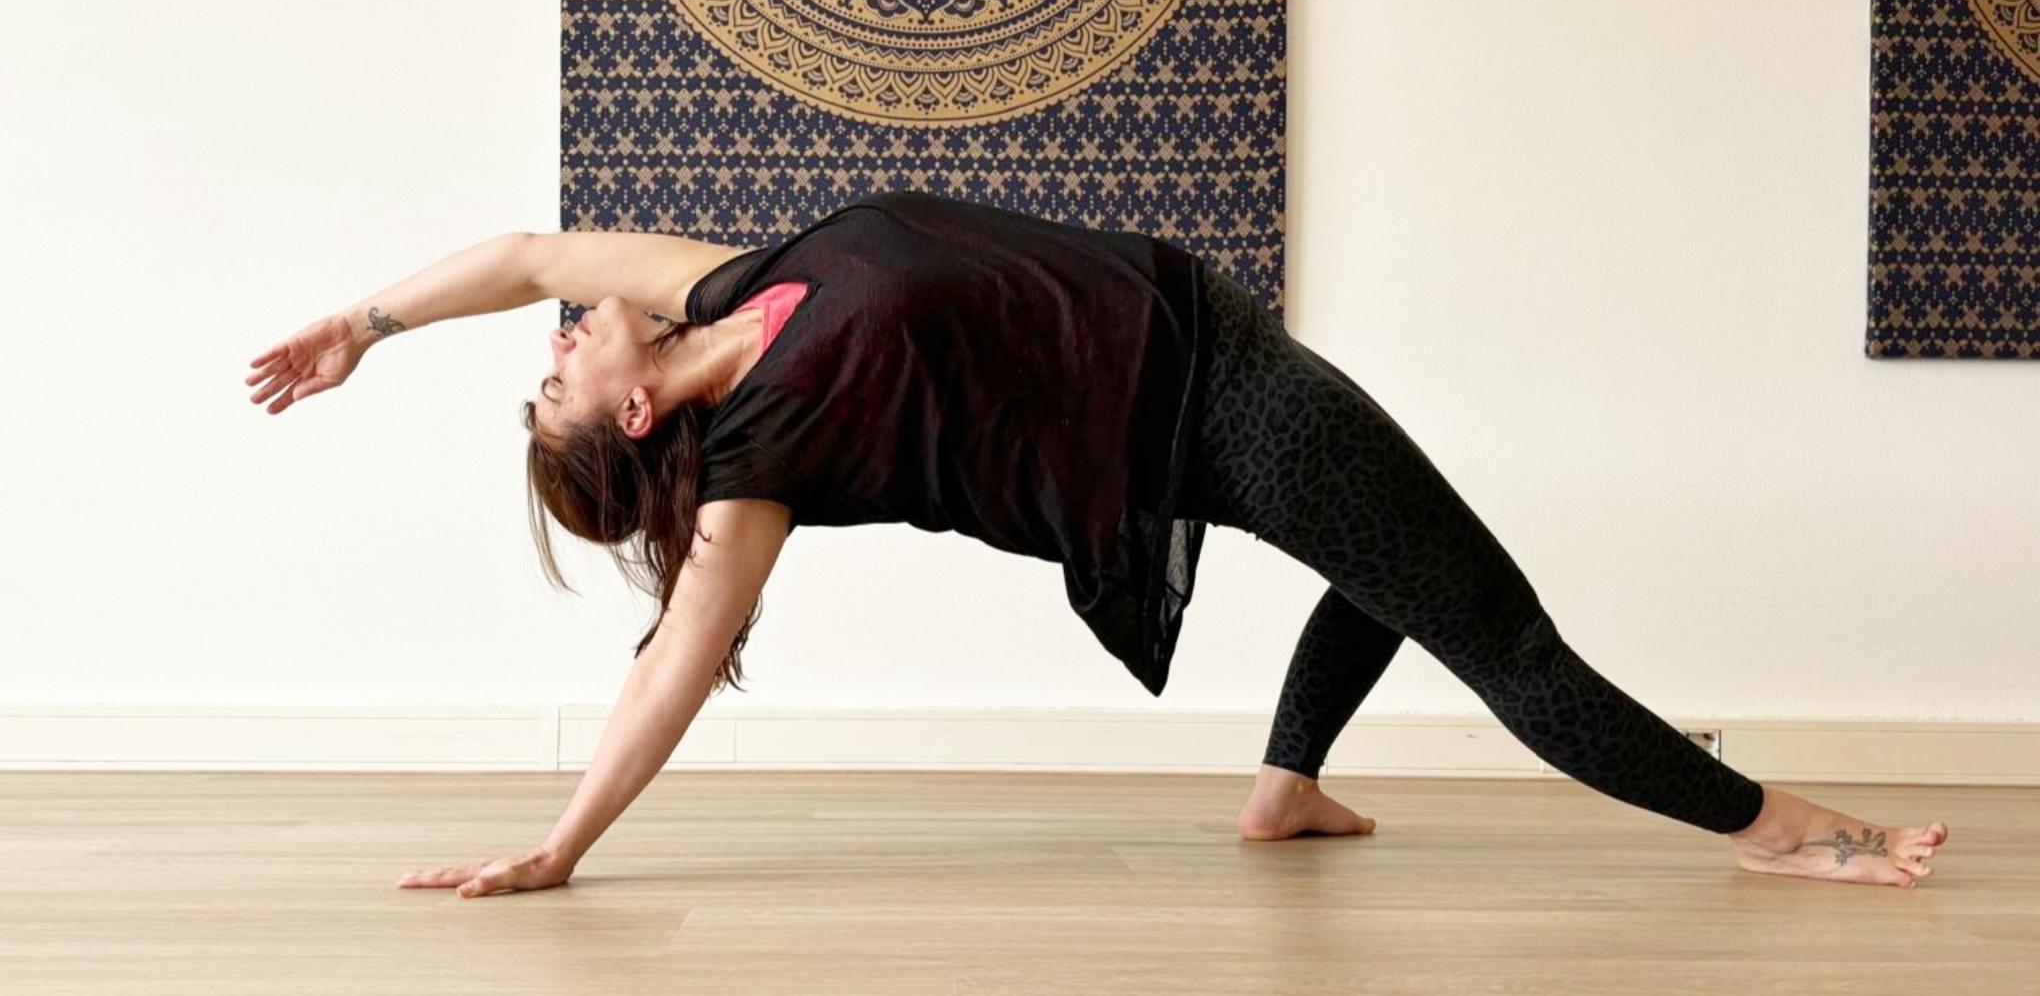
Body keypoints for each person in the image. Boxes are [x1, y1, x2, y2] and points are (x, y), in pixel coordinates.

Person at [246, 189, 1949, 899]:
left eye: (551, 349)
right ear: (631, 416)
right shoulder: (757, 466)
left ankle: (1286, 788)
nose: (556, 333)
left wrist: (360, 326)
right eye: (557, 373)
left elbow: (527, 255)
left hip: (1218, 349)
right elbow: (671, 672)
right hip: (1229, 409)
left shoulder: (716, 291)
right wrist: (560, 847)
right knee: (1501, 632)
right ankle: (1781, 829)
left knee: (1394, 560)